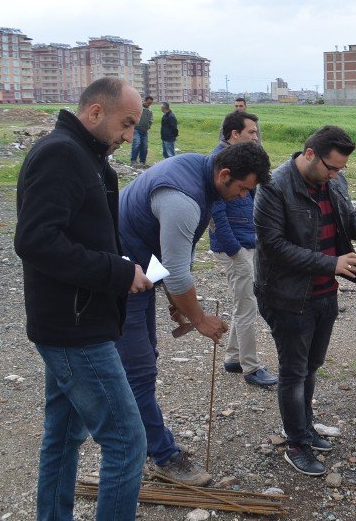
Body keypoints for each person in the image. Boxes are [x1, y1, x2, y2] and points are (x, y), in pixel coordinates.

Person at [14, 77, 153, 520]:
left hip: (79, 319)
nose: (130, 135)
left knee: (63, 434)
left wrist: (127, 265)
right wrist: (117, 272)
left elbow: (85, 235)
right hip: (75, 329)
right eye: (127, 123)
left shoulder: (88, 159)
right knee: (127, 442)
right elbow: (36, 240)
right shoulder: (61, 155)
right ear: (95, 112)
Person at [117, 141, 271, 485]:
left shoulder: (200, 170)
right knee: (138, 370)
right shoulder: (183, 198)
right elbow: (177, 270)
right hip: (118, 277)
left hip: (140, 272)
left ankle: (139, 440)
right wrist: (199, 319)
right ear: (225, 174)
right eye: (243, 189)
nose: (245, 198)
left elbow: (177, 253)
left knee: (140, 364)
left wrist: (176, 298)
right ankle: (162, 455)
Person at [254, 126, 356, 476]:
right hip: (287, 296)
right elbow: (275, 248)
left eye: (340, 169)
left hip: (324, 292)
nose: (336, 175)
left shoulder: (334, 181)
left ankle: (306, 426)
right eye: (331, 168)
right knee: (293, 371)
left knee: (311, 366)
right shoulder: (274, 187)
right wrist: (332, 264)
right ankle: (295, 442)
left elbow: (347, 223)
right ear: (310, 153)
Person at [210, 112, 277, 387]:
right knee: (248, 305)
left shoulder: (243, 163)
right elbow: (216, 214)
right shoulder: (219, 164)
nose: (256, 137)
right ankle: (251, 367)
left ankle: (234, 357)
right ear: (234, 134)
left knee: (243, 302)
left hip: (245, 243)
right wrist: (234, 249)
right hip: (235, 247)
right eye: (252, 132)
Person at [130, 95, 153, 166]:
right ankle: (133, 160)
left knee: (145, 146)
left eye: (150, 103)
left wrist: (149, 126)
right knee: (137, 143)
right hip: (136, 129)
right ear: (145, 100)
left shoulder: (150, 110)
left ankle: (142, 161)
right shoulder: (138, 107)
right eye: (148, 103)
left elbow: (151, 120)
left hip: (145, 131)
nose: (149, 104)